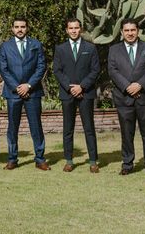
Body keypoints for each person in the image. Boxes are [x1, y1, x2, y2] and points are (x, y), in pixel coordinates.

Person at [108, 18, 145, 177]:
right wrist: (127, 86)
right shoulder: (114, 50)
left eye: (133, 30)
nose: (130, 33)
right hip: (124, 98)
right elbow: (112, 70)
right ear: (122, 32)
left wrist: (140, 85)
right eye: (127, 30)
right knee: (126, 133)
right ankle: (127, 164)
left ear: (138, 31)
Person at [0, 16, 48, 171]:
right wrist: (17, 87)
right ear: (12, 29)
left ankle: (40, 159)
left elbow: (41, 66)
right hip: (13, 93)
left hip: (32, 92)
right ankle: (12, 159)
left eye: (23, 26)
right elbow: (4, 70)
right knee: (13, 127)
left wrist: (28, 85)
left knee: (36, 127)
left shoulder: (36, 44)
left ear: (27, 28)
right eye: (17, 27)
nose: (20, 29)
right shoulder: (5, 47)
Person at [53, 18, 100, 173]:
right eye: (71, 28)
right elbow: (57, 70)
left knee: (89, 128)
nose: (74, 31)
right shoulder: (60, 49)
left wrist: (82, 86)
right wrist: (69, 87)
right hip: (67, 94)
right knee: (68, 129)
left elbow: (95, 70)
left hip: (86, 93)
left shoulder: (90, 48)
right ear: (67, 30)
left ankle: (93, 161)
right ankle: (69, 160)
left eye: (76, 28)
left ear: (81, 29)